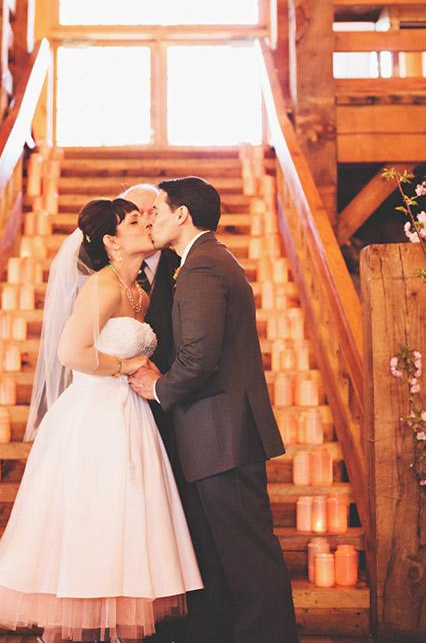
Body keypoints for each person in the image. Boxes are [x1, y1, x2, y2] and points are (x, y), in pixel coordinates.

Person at [0, 197, 203, 643]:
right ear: (111, 240)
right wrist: (130, 368)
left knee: (125, 524)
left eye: (147, 219)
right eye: (135, 222)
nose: (147, 226)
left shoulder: (137, 292)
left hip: (129, 416)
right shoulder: (102, 287)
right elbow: (71, 353)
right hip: (94, 418)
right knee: (93, 517)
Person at [129, 177, 299, 643]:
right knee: (234, 554)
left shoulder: (203, 267)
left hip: (223, 434)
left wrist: (159, 387)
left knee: (248, 556)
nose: (150, 219)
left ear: (182, 214)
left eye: (157, 211)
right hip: (218, 434)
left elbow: (199, 357)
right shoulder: (205, 260)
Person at [121, 184, 179, 457]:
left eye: (151, 212)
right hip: (119, 399)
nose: (146, 221)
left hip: (172, 400)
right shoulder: (99, 274)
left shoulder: (183, 261)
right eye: (136, 214)